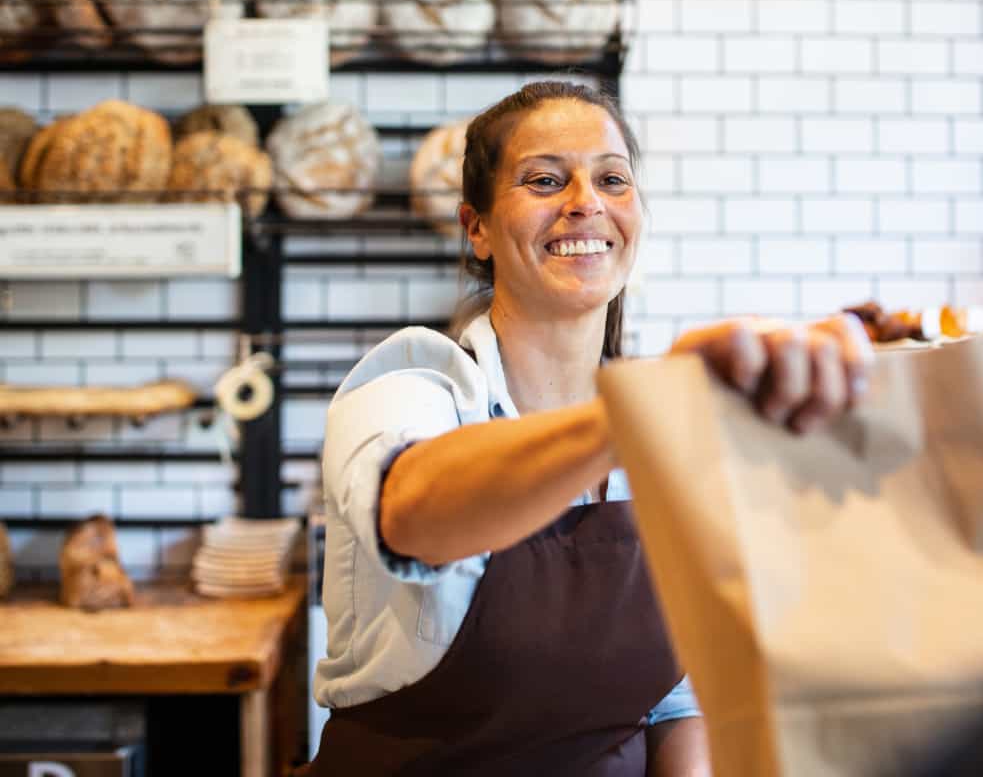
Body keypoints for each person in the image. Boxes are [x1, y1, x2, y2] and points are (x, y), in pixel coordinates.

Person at [302, 80, 874, 777]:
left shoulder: (666, 431)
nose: (585, 201)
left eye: (611, 178)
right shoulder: (413, 385)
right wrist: (631, 413)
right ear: (476, 228)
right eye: (544, 179)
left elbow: (673, 700)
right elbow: (412, 514)